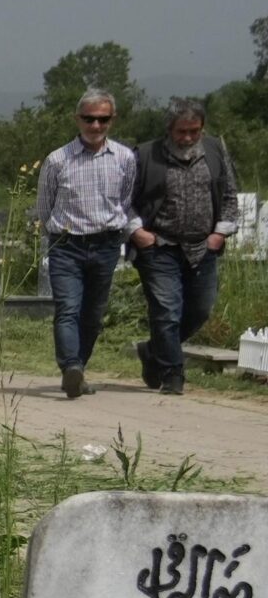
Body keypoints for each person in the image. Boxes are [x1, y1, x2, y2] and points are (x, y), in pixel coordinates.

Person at [32, 89, 140, 399]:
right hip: (67, 244)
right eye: (89, 119)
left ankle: (78, 369)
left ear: (112, 120)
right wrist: (54, 235)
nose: (95, 126)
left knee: (93, 313)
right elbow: (44, 207)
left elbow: (126, 201)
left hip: (106, 244)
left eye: (102, 119)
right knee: (68, 308)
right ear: (77, 119)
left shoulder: (124, 158)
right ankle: (70, 367)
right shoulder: (57, 160)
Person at [130, 99, 241, 396]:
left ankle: (153, 350)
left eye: (194, 131)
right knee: (166, 311)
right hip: (160, 246)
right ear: (169, 129)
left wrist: (221, 232)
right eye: (182, 132)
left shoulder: (216, 152)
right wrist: (137, 231)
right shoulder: (145, 155)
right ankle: (172, 374)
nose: (188, 138)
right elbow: (123, 200)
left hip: (204, 247)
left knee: (200, 310)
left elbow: (230, 196)